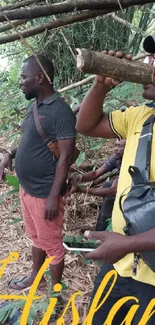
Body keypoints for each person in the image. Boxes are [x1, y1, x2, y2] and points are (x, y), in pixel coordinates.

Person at [76, 49, 155, 325]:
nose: (149, 63)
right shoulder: (141, 117)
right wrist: (100, 85)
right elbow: (86, 124)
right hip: (119, 264)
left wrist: (129, 244)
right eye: (151, 57)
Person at [0, 55, 76, 319]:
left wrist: (54, 196)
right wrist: (9, 153)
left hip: (45, 193)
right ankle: (36, 277)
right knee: (36, 238)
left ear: (40, 78)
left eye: (23, 77)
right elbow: (30, 140)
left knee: (53, 246)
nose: (20, 82)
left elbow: (66, 156)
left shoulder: (60, 110)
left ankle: (55, 298)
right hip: (27, 189)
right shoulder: (35, 105)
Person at [71, 139, 125, 230]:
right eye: (115, 145)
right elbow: (95, 174)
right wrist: (78, 178)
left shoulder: (132, 160)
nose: (115, 149)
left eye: (119, 146)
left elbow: (112, 191)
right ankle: (107, 221)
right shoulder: (116, 158)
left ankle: (100, 231)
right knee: (107, 185)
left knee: (110, 198)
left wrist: (81, 189)